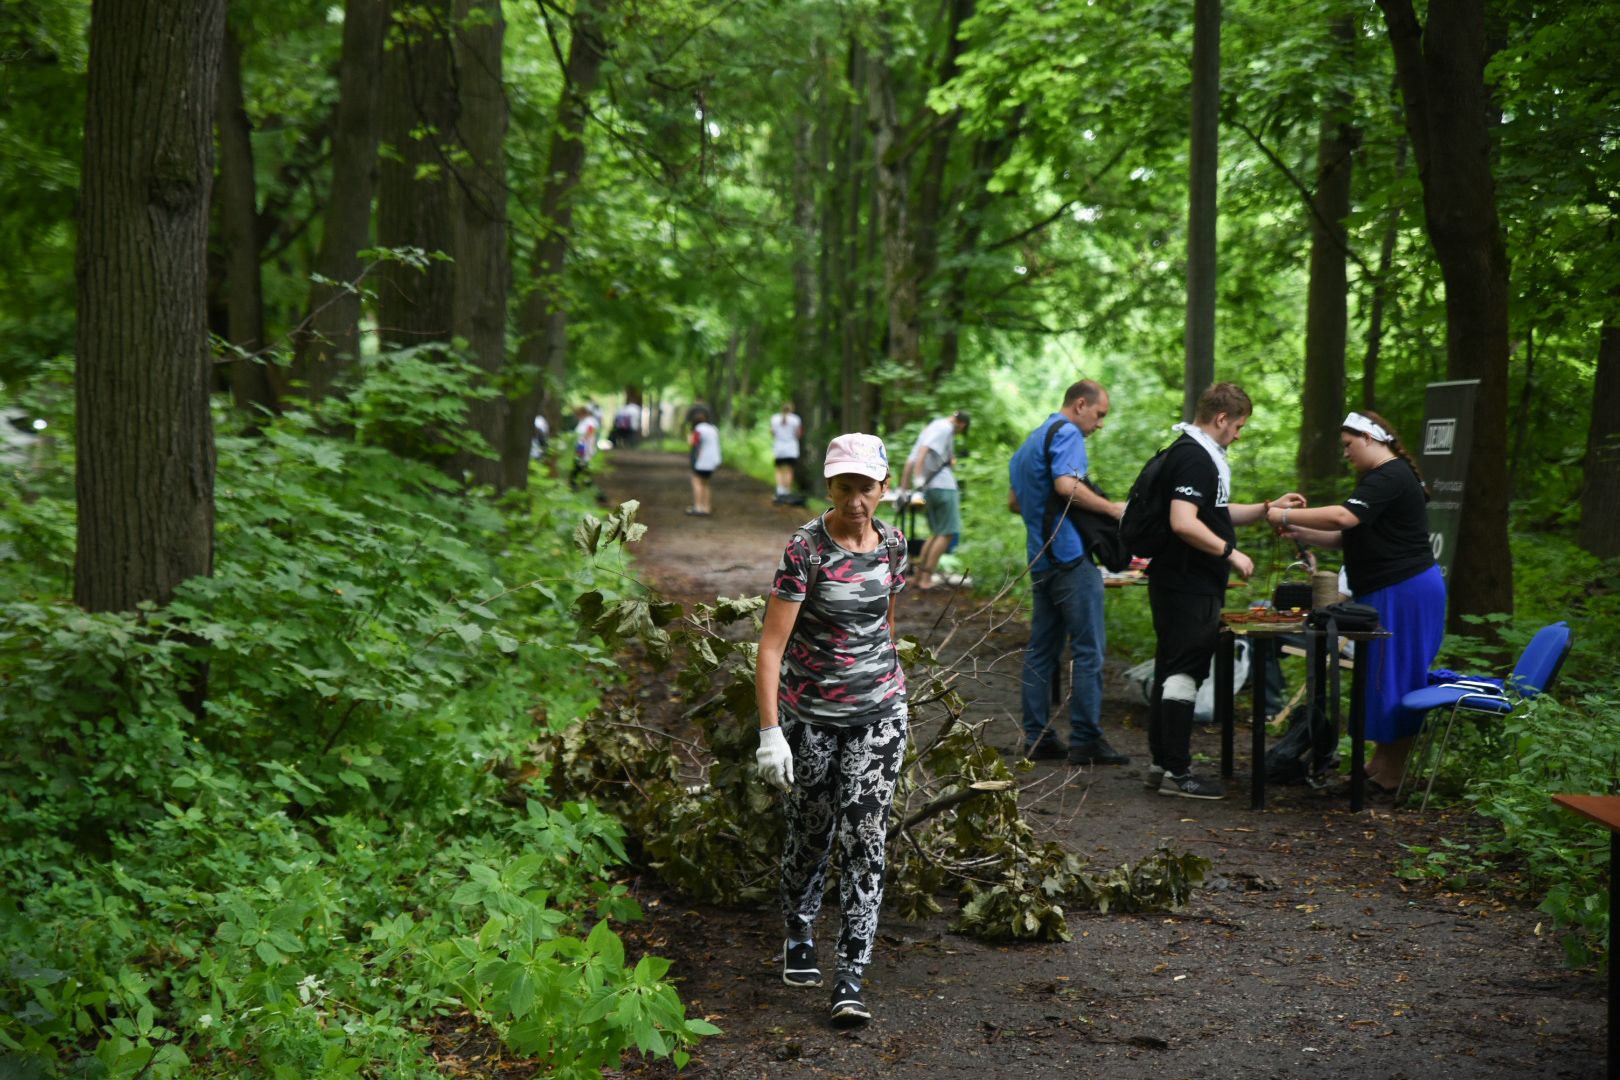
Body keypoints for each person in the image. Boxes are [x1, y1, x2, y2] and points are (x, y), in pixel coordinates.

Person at [754, 432, 909, 1028]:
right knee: (812, 827)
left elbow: (886, 623)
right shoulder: (806, 551)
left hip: (879, 712)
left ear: (883, 487)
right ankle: (798, 928)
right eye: (844, 487)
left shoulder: (894, 546)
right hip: (811, 716)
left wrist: (885, 682)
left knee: (866, 832)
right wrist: (772, 733)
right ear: (829, 486)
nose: (855, 500)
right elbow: (771, 648)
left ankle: (851, 973)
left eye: (865, 487)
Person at [1267, 410, 1446, 792]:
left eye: (1349, 445)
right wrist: (1298, 529)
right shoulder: (1381, 478)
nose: (1345, 453)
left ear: (1369, 438)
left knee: (1395, 676)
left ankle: (1391, 774)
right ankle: (1378, 766)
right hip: (1390, 588)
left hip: (1406, 589)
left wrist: (1282, 512)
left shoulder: (1391, 475)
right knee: (1381, 677)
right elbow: (1347, 538)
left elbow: (1343, 518)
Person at [1143, 382, 1305, 799]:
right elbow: (1183, 521)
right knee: (1184, 670)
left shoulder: (1193, 452)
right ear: (1221, 419)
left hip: (1180, 579)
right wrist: (1229, 552)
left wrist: (1267, 510)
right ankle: (1179, 773)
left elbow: (1212, 512)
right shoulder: (1196, 458)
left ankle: (1161, 765)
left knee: (1172, 666)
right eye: (1239, 426)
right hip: (1187, 581)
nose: (1239, 434)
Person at [1007, 381, 1131, 766]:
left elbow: (1015, 503)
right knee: (1088, 651)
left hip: (1040, 560)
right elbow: (1065, 484)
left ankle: (1037, 736)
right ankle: (1086, 739)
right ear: (1080, 405)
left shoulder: (1029, 443)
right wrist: (1112, 509)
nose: (1100, 424)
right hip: (1070, 560)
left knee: (1041, 652)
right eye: (1099, 415)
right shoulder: (1068, 434)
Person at [900, 409, 969, 590]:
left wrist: (906, 487)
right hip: (943, 487)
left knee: (936, 533)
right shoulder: (945, 428)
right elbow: (923, 451)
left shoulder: (932, 426)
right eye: (963, 429)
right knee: (947, 533)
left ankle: (918, 577)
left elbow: (912, 459)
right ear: (961, 424)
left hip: (930, 488)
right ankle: (925, 579)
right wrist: (918, 480)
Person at [687, 406, 721, 516]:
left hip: (702, 461)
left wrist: (689, 436)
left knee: (697, 482)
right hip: (713, 461)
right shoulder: (714, 429)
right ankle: (707, 507)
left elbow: (692, 443)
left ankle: (698, 507)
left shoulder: (698, 429)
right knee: (706, 484)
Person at [770, 402, 803, 503]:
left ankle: (780, 491)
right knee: (789, 470)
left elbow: (772, 432)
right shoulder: (796, 419)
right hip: (791, 448)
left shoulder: (775, 418)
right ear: (791, 409)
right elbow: (798, 433)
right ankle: (787, 491)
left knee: (779, 469)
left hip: (779, 448)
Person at [569, 405, 600, 490]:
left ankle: (577, 484)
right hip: (581, 446)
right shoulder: (583, 421)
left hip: (585, 447)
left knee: (581, 466)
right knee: (581, 466)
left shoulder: (589, 421)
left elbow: (590, 430)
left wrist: (583, 440)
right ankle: (584, 484)